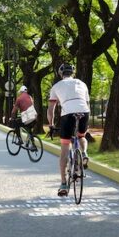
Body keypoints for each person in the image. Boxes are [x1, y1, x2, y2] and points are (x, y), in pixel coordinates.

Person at [47, 63, 91, 197]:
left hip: (68, 114)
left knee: (65, 148)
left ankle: (63, 184)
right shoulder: (82, 83)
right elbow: (87, 103)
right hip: (84, 111)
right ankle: (84, 153)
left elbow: (51, 109)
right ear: (72, 73)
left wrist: (51, 124)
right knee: (81, 136)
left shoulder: (56, 86)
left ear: (61, 74)